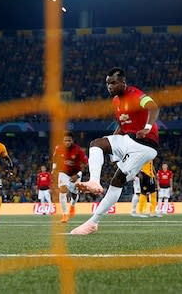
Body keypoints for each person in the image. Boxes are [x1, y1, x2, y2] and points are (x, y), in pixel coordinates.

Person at [71, 67, 160, 235]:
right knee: (97, 144)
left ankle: (94, 220)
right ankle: (94, 195)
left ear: (123, 83)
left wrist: (147, 128)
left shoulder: (135, 94)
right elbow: (122, 126)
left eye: (113, 83)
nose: (109, 87)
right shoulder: (116, 101)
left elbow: (153, 107)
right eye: (107, 83)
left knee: (118, 179)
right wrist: (111, 147)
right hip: (129, 139)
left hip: (145, 144)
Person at [51, 131, 88, 223]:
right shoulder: (58, 149)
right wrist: (53, 170)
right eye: (65, 140)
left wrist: (78, 175)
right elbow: (55, 160)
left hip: (76, 173)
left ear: (72, 141)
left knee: (74, 194)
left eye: (69, 140)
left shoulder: (78, 150)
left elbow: (85, 164)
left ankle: (72, 206)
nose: (67, 142)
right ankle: (64, 215)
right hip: (63, 172)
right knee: (63, 190)